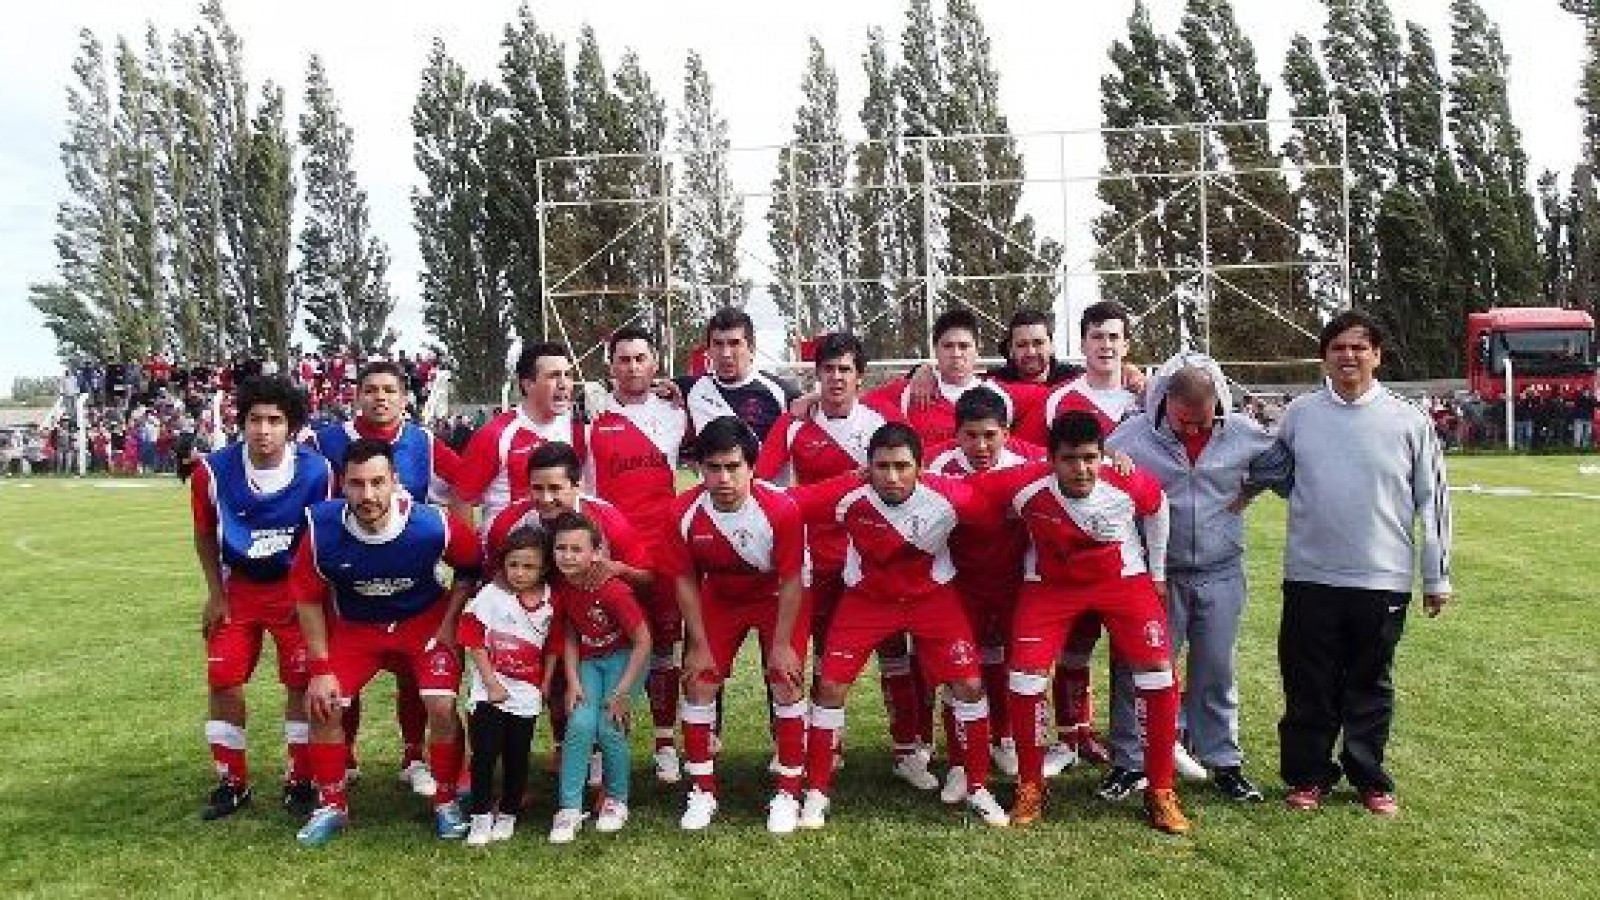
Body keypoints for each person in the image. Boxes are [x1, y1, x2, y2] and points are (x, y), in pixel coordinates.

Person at [1273, 310, 1453, 816]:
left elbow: (1432, 499)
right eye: (1338, 347)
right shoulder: (1300, 415)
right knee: (1307, 682)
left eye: (1359, 347)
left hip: (1382, 576)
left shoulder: (1409, 419)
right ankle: (1308, 776)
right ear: (1324, 356)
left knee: (1369, 684)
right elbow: (1278, 475)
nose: (1348, 356)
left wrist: (1436, 575)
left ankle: (1369, 778)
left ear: (1377, 355)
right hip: (1310, 574)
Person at [792, 422, 1010, 830]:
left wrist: (1107, 463)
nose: (892, 477)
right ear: (867, 468)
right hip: (867, 602)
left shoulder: (951, 495)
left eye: (902, 466)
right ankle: (817, 791)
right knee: (830, 687)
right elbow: (785, 503)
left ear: (920, 467)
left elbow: (1008, 495)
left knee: (969, 684)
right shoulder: (848, 494)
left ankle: (979, 786)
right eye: (882, 466)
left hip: (934, 601)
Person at [979, 411, 1188, 834]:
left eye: (1091, 458)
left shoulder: (1124, 478)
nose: (1081, 469)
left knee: (1157, 672)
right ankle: (1030, 784)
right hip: (1050, 588)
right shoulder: (1025, 483)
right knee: (1024, 676)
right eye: (1070, 459)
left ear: (1102, 456)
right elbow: (956, 491)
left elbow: (1159, 506)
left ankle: (1161, 790)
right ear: (1050, 460)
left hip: (1123, 581)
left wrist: (1159, 573)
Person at [1103, 353, 1289, 803]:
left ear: (1217, 406)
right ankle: (1129, 762)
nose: (1192, 432)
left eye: (1201, 423)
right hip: (1153, 576)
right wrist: (1112, 462)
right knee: (1137, 669)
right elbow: (1095, 475)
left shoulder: (1243, 432)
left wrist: (1249, 489)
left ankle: (1222, 759)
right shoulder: (1131, 436)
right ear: (1164, 401)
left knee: (1215, 668)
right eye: (1183, 421)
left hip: (1220, 569)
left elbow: (1283, 465)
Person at [288, 439, 483, 847]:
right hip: (356, 628)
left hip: (423, 622)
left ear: (395, 481)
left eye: (378, 482)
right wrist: (321, 669)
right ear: (343, 485)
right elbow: (306, 598)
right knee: (323, 705)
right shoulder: (321, 529)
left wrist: (449, 624)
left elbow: (470, 567)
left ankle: (446, 799)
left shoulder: (432, 524)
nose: (368, 494)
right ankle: (331, 804)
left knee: (441, 704)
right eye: (357, 484)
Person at [754, 333, 914, 784]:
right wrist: (843, 484)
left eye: (845, 369)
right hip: (816, 557)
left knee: (893, 649)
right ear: (816, 375)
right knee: (823, 652)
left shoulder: (883, 419)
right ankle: (825, 743)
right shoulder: (793, 424)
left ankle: (907, 748)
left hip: (877, 554)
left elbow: (910, 476)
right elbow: (767, 492)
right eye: (827, 370)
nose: (836, 378)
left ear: (860, 376)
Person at [307, 359, 469, 797]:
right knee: (338, 683)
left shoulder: (424, 442)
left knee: (415, 679)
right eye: (372, 389)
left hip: (409, 566)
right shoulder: (325, 440)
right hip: (346, 568)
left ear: (403, 397)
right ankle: (346, 759)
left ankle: (415, 757)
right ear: (357, 395)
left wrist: (455, 523)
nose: (380, 397)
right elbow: (298, 478)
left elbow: (468, 479)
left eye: (390, 390)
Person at [190, 375, 334, 820]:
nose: (264, 429)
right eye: (255, 419)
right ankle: (232, 782)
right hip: (239, 592)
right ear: (241, 421)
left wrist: (311, 597)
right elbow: (203, 534)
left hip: (294, 592)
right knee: (223, 681)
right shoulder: (212, 471)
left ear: (291, 426)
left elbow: (321, 537)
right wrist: (216, 594)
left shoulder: (317, 471)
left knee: (298, 684)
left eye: (275, 420)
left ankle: (300, 779)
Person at [1015, 300, 1144, 770]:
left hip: (1131, 545)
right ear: (1083, 343)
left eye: (1114, 337)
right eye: (1097, 337)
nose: (1105, 345)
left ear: (1126, 344)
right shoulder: (1060, 398)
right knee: (1075, 644)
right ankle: (1072, 736)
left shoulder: (1145, 397)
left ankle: (1152, 741)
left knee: (1146, 651)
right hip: (1066, 546)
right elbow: (1032, 456)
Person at [665, 416, 810, 834]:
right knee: (699, 680)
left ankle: (787, 790)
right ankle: (703, 790)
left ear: (752, 467)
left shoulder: (781, 508)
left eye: (733, 467)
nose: (724, 478)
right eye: (714, 467)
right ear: (699, 469)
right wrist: (696, 642)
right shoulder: (684, 511)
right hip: (721, 596)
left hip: (776, 597)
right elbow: (684, 579)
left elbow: (791, 580)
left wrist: (782, 644)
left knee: (785, 679)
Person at [485, 441, 655, 773]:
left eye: (555, 488)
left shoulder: (607, 519)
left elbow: (648, 577)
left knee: (603, 701)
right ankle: (566, 750)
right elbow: (494, 577)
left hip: (599, 626)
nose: (546, 498)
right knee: (553, 689)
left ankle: (605, 766)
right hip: (543, 620)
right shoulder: (510, 522)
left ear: (578, 485)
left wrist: (618, 569)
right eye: (537, 488)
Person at [924, 386, 1044, 793]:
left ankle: (1005, 737)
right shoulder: (938, 466)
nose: (980, 445)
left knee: (1015, 663)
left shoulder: (1029, 464)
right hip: (960, 584)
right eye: (970, 435)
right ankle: (959, 761)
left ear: (1006, 434)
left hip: (1014, 581)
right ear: (955, 435)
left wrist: (1116, 458)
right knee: (958, 668)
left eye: (990, 435)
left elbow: (1077, 467)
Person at [584, 326, 691, 782]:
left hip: (663, 548)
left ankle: (665, 742)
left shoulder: (676, 412)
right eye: (623, 359)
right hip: (613, 546)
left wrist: (681, 393)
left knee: (665, 647)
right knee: (604, 645)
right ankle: (596, 748)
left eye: (641, 358)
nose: (632, 367)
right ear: (611, 366)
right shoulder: (590, 421)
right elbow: (586, 491)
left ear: (654, 363)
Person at [547, 512, 652, 844]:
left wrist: (622, 692)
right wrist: (573, 681)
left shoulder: (613, 590)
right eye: (560, 548)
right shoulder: (563, 588)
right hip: (590, 662)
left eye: (576, 549)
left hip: (626, 659)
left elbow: (643, 641)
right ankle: (569, 808)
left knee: (609, 725)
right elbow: (569, 634)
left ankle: (616, 800)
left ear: (597, 552)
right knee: (578, 724)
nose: (567, 556)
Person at [458, 526, 559, 847]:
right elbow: (472, 637)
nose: (519, 573)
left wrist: (544, 684)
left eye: (529, 566)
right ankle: (480, 817)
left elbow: (554, 646)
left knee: (518, 755)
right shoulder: (491, 595)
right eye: (513, 565)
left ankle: (509, 813)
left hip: (526, 694)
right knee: (484, 754)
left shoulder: (551, 601)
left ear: (543, 568)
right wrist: (490, 682)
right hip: (490, 692)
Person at [458, 342, 586, 530]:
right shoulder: (495, 434)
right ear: (527, 384)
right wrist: (471, 557)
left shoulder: (578, 428)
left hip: (561, 553)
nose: (563, 384)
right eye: (553, 376)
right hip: (509, 552)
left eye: (568, 375)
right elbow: (461, 500)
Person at [672, 306, 799, 442]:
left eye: (734, 344)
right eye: (718, 344)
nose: (726, 354)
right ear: (708, 350)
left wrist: (812, 399)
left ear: (751, 349)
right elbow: (650, 388)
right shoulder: (688, 388)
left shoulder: (781, 392)